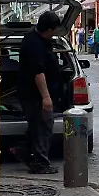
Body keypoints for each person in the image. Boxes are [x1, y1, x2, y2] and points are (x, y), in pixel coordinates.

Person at [18, 11, 63, 174]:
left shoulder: (36, 39)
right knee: (43, 128)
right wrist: (46, 97)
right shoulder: (34, 44)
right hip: (34, 94)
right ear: (49, 29)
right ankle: (40, 163)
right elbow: (38, 72)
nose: (56, 32)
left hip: (33, 93)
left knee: (36, 126)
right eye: (55, 29)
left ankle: (22, 150)